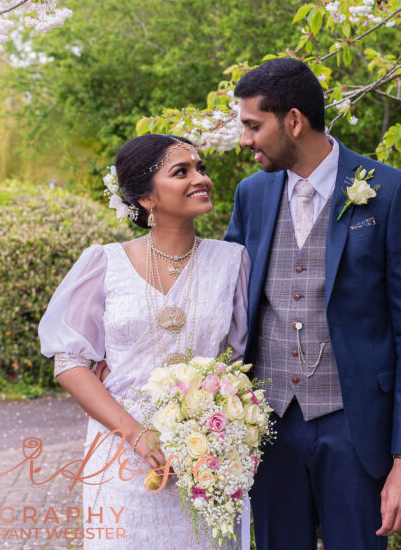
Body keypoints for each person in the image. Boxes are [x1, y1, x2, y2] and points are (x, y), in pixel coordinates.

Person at [224, 57, 401, 549]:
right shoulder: (250, 194)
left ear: (293, 121)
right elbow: (223, 300)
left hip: (355, 427)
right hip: (268, 426)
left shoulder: (387, 191)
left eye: (254, 125)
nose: (245, 139)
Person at [38, 134, 251, 549]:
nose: (200, 178)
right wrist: (136, 434)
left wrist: (217, 433)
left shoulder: (232, 262)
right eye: (181, 171)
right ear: (146, 198)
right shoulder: (104, 263)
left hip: (206, 459)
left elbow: (240, 360)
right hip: (121, 457)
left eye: (200, 168)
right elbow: (69, 361)